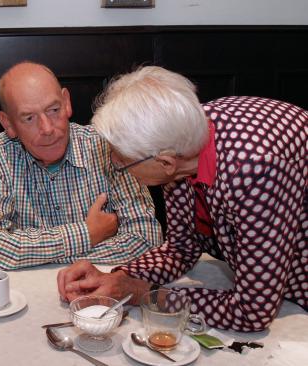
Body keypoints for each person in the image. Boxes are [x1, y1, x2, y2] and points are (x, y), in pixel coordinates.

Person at [57, 66, 307, 332]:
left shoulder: (255, 169)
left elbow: (251, 313)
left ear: (164, 162)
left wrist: (146, 294)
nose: (116, 163)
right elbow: (180, 249)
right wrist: (120, 278)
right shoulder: (179, 141)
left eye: (121, 159)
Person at [0, 62, 162, 269]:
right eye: (29, 118)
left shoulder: (107, 146)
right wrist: (87, 233)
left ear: (66, 102)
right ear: (8, 123)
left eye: (54, 110)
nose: (47, 128)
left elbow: (147, 239)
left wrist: (40, 256)